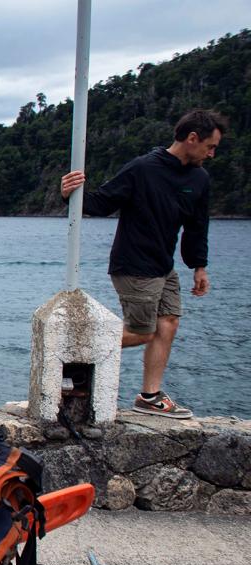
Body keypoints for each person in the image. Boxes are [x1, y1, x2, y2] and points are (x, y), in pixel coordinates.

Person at [60, 109, 227, 419]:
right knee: (143, 331)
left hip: (164, 266)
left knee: (169, 322)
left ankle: (149, 396)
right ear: (192, 138)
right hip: (133, 264)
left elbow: (197, 226)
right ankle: (70, 355)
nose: (212, 153)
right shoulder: (143, 169)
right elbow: (102, 203)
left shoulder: (199, 178)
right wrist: (69, 192)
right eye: (210, 146)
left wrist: (199, 266)